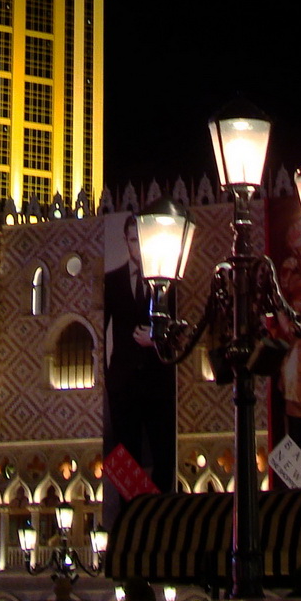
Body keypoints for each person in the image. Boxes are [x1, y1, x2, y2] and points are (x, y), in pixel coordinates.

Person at [102, 213, 176, 501]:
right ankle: (133, 515)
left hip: (159, 382)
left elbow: (183, 326)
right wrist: (108, 378)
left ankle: (159, 511)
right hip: (123, 384)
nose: (137, 246)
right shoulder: (112, 280)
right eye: (132, 240)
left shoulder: (168, 281)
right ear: (126, 242)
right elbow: (100, 328)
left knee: (163, 453)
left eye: (141, 240)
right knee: (126, 456)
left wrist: (157, 338)